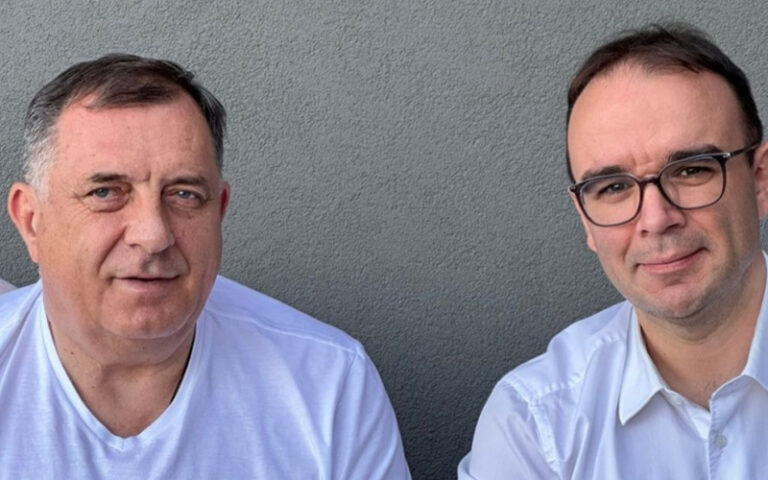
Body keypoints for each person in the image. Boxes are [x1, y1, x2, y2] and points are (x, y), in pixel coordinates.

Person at [1, 53, 410, 479]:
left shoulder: (328, 386)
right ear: (31, 221)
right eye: (105, 192)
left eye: (184, 195)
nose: (154, 234)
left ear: (219, 210)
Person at [459, 23, 768, 479]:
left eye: (690, 170)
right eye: (614, 187)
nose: (656, 219)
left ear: (760, 180)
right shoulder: (534, 426)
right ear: (585, 219)